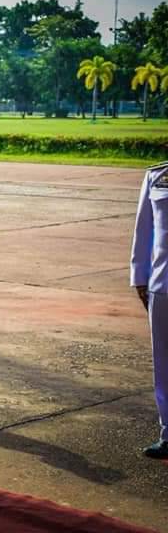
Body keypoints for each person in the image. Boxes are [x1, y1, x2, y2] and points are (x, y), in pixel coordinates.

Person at [131, 160, 168, 459]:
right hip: (162, 284)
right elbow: (144, 230)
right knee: (164, 364)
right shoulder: (157, 176)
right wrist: (140, 278)